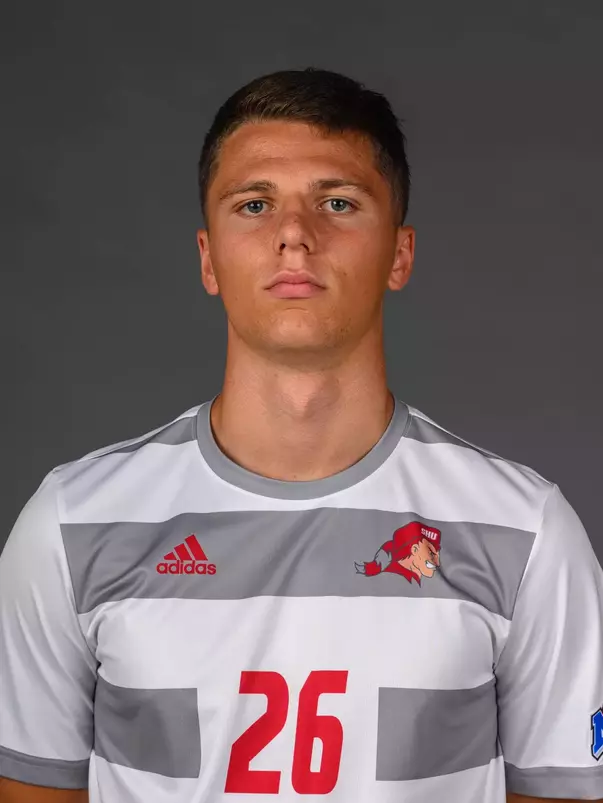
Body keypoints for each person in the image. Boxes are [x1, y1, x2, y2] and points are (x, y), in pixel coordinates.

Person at [0, 67, 601, 803]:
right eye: (254, 204)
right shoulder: (71, 525)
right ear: (207, 258)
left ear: (400, 254)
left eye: (338, 203)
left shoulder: (525, 531)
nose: (293, 235)